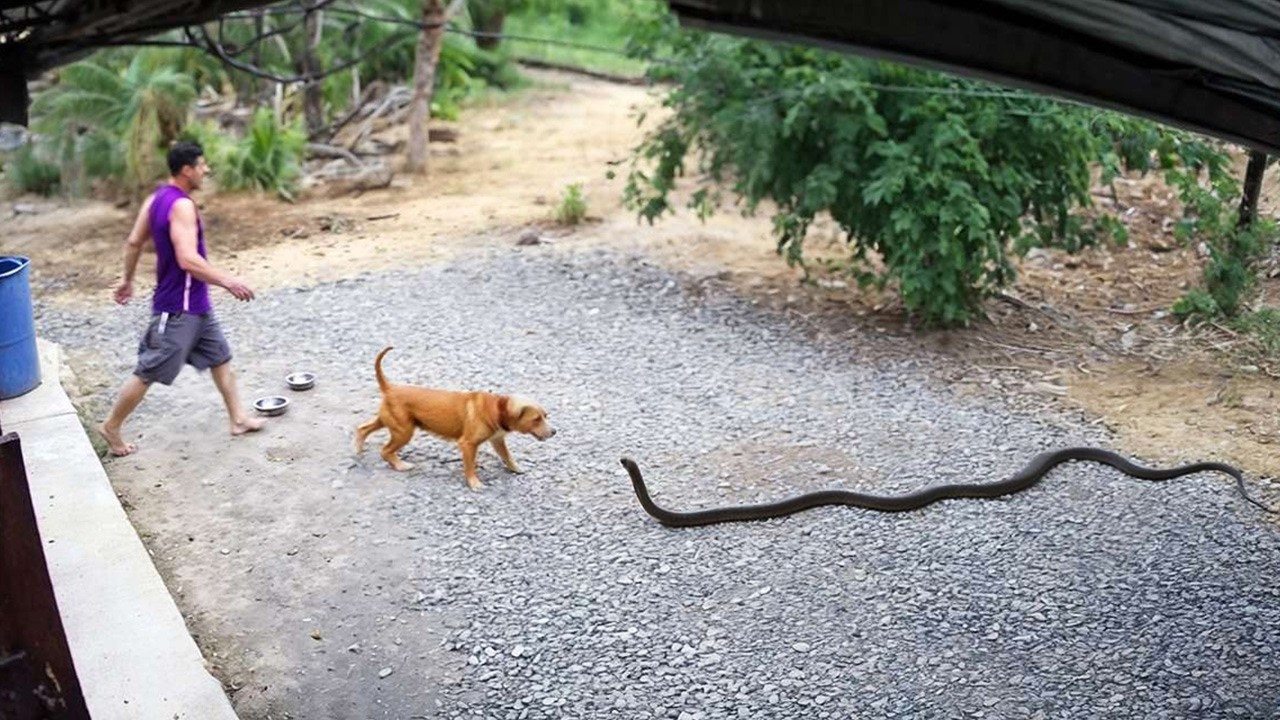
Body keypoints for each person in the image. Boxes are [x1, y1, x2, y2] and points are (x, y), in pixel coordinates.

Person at [97, 141, 265, 456]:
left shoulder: (155, 199)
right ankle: (111, 426)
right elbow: (187, 259)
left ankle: (238, 419)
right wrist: (228, 281)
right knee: (149, 369)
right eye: (202, 165)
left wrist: (128, 280)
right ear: (187, 170)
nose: (206, 170)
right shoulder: (182, 205)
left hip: (197, 305)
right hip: (179, 308)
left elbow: (134, 242)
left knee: (220, 358)